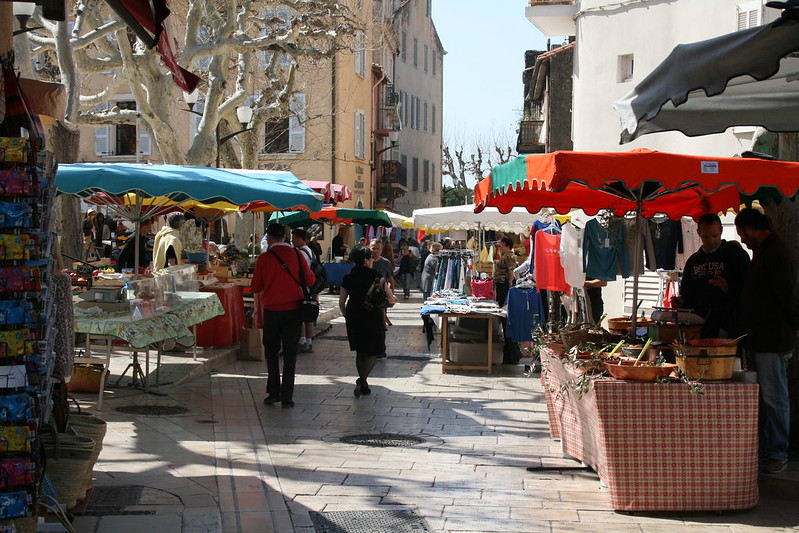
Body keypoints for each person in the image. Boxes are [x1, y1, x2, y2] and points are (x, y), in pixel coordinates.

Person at [735, 208, 797, 475]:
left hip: (772, 339)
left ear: (750, 229)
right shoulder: (763, 252)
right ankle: (770, 449)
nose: (741, 240)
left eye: (741, 234)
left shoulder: (776, 253)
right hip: (761, 338)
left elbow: (787, 297)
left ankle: (778, 452)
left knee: (774, 398)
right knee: (767, 397)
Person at [252, 223, 315, 409]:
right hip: (294, 310)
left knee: (271, 352)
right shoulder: (297, 254)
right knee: (290, 354)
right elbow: (310, 280)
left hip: (272, 311)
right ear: (285, 238)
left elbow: (255, 287)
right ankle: (287, 397)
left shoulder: (264, 259)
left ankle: (273, 391)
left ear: (269, 238)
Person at [672, 213, 750, 338]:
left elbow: (750, 291)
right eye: (706, 237)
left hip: (729, 326)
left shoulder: (736, 256)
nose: (711, 241)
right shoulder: (694, 261)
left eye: (715, 236)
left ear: (721, 231)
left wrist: (728, 288)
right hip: (699, 326)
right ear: (699, 233)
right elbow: (687, 292)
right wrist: (681, 302)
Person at [339, 246, 386, 398]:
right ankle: (362, 380)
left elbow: (341, 302)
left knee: (360, 350)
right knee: (374, 350)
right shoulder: (376, 276)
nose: (373, 260)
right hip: (372, 314)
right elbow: (384, 298)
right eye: (371, 258)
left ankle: (363, 384)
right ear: (366, 260)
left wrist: (347, 316)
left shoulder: (348, 277)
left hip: (354, 314)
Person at [292, 228, 319, 353]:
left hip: (303, 287)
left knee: (302, 315)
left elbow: (299, 271)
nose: (292, 241)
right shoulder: (309, 251)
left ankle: (303, 341)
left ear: (300, 239)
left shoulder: (301, 253)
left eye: (294, 238)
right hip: (310, 287)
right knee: (308, 315)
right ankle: (308, 341)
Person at [493, 236, 518, 308]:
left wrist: (510, 282)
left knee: (502, 300)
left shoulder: (510, 256)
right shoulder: (505, 255)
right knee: (499, 299)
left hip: (504, 282)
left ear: (508, 246)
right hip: (500, 282)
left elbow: (511, 269)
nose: (501, 248)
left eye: (502, 246)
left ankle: (502, 318)